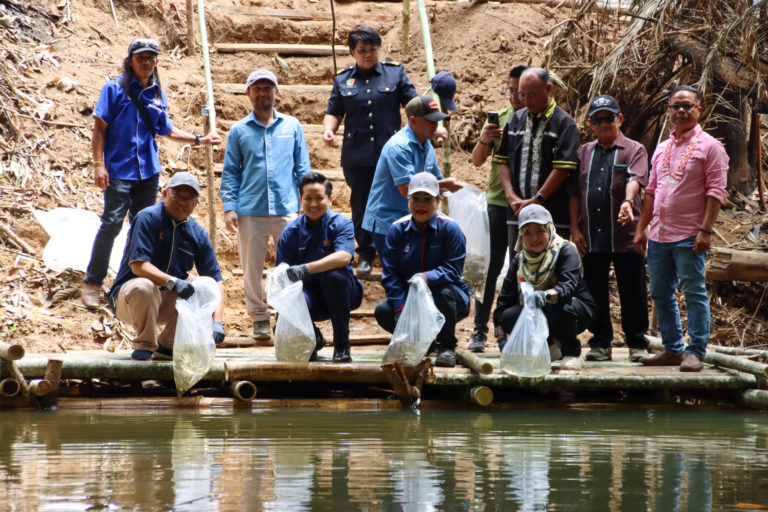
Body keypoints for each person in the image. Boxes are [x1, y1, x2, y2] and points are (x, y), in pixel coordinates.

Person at [83, 38, 221, 309]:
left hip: (148, 171)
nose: (146, 62)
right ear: (130, 60)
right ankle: (93, 281)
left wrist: (199, 140)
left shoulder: (157, 94)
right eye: (140, 57)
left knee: (141, 228)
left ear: (156, 61)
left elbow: (166, 130)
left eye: (150, 57)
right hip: (119, 169)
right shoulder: (114, 89)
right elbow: (99, 128)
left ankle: (125, 282)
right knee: (111, 223)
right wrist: (98, 165)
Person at [634, 85, 729, 372]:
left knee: (694, 291)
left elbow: (716, 192)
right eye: (675, 106)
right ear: (669, 110)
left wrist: (706, 231)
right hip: (659, 234)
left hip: (690, 233)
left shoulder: (711, 147)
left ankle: (696, 351)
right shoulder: (662, 147)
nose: (681, 111)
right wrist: (641, 228)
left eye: (687, 106)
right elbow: (651, 190)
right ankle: (673, 349)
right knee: (661, 292)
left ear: (699, 109)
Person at [220, 69, 311, 341]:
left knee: (292, 265)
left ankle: (287, 314)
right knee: (252, 268)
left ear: (276, 91)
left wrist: (305, 200)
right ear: (248, 93)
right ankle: (259, 318)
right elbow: (231, 172)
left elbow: (303, 167)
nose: (262, 93)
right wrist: (229, 206)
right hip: (250, 210)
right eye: (257, 88)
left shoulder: (292, 126)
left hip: (287, 208)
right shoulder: (238, 131)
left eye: (267, 87)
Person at [322, 25, 418, 275]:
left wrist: (432, 126)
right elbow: (334, 111)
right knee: (362, 203)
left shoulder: (394, 74)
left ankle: (397, 249)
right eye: (362, 50)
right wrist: (328, 130)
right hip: (358, 155)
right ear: (352, 51)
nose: (368, 54)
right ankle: (365, 253)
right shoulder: (343, 79)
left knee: (396, 199)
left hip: (391, 153)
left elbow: (414, 104)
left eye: (373, 49)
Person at [108, 172, 225, 361]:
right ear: (164, 193)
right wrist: (172, 281)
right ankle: (144, 344)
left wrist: (217, 322)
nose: (182, 202)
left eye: (189, 199)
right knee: (145, 286)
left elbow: (216, 282)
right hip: (130, 300)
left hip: (165, 301)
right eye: (177, 196)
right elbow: (138, 266)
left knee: (204, 286)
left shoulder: (197, 233)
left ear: (196, 203)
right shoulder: (148, 218)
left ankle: (167, 345)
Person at [569, 94, 650, 362]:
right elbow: (575, 193)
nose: (604, 123)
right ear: (591, 124)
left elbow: (635, 179)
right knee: (594, 290)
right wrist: (575, 229)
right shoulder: (584, 152)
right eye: (598, 120)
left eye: (609, 118)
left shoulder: (634, 149)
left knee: (633, 290)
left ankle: (637, 343)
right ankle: (601, 343)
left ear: (620, 119)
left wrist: (628, 202)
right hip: (591, 235)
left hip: (626, 235)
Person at [375, 172, 471, 367]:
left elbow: (453, 270)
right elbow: (390, 274)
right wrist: (400, 308)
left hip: (449, 298)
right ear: (408, 200)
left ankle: (446, 346)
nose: (421, 205)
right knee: (384, 311)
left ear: (438, 201)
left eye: (428, 199)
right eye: (415, 199)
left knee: (441, 292)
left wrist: (425, 277)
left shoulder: (450, 229)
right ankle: (422, 344)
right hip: (411, 299)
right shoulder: (397, 230)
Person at [467, 64, 528, 353]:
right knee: (488, 268)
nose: (514, 96)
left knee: (519, 268)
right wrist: (485, 139)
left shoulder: (535, 122)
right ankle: (478, 330)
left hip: (524, 204)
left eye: (520, 91)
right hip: (495, 201)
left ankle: (508, 329)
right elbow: (477, 161)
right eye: (510, 90)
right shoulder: (499, 119)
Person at [493, 204, 595, 371]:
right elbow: (502, 305)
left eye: (539, 231)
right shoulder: (519, 260)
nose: (534, 238)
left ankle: (572, 352)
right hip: (539, 311)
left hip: (574, 308)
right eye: (527, 233)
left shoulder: (565, 250)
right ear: (521, 236)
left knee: (559, 307)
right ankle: (550, 346)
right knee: (507, 316)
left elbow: (568, 287)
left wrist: (546, 295)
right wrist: (502, 341)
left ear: (549, 229)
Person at [276, 172, 364, 363]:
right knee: (281, 322)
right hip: (309, 296)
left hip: (343, 294)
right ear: (301, 199)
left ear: (330, 199)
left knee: (334, 277)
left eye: (319, 198)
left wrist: (306, 269)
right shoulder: (291, 232)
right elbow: (282, 274)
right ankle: (313, 339)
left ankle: (342, 345)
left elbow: (344, 256)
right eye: (308, 198)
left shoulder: (341, 224)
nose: (313, 204)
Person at [361, 96, 463, 258]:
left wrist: (452, 189)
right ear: (413, 121)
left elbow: (435, 178)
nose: (435, 125)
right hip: (386, 220)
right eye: (430, 121)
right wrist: (445, 184)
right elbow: (407, 189)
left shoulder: (426, 144)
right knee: (395, 274)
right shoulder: (399, 147)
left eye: (437, 121)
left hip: (410, 219)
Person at [493, 67, 578, 254]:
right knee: (519, 270)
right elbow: (503, 161)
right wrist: (511, 197)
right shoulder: (514, 121)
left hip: (553, 216)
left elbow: (563, 168)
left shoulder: (565, 123)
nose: (525, 101)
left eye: (531, 95)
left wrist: (537, 199)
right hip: (517, 213)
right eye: (522, 94)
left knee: (552, 268)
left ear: (548, 89)